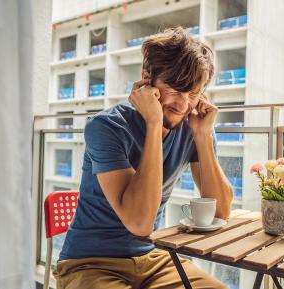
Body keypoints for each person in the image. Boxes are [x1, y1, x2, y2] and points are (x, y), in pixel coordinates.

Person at [54, 27, 233, 289]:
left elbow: (220, 211)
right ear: (146, 78)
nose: (183, 105)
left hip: (154, 257)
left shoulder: (195, 125)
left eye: (193, 93)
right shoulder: (106, 127)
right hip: (89, 262)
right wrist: (153, 122)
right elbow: (139, 223)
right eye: (174, 89)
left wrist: (203, 136)